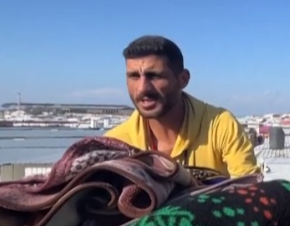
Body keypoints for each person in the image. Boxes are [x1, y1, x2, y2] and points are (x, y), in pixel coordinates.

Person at [105, 35, 261, 177]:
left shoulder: (219, 125)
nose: (142, 88)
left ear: (183, 79)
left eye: (154, 76)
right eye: (134, 76)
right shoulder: (115, 144)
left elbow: (250, 191)